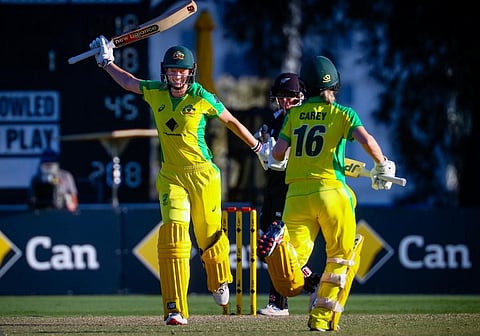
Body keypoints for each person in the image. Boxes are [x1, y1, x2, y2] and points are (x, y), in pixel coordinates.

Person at [88, 36, 265, 326]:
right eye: (171, 70)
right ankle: (175, 309)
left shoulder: (201, 96)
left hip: (203, 175)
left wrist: (257, 148)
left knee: (208, 237)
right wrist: (107, 63)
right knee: (173, 237)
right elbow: (129, 82)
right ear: (165, 72)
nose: (176, 75)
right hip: (171, 176)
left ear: (190, 73)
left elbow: (231, 121)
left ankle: (219, 280)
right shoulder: (156, 91)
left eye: (181, 71)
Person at [263, 55, 396, 331]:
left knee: (293, 267)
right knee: (340, 258)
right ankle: (321, 319)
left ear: (305, 87)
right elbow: (367, 140)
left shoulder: (294, 115)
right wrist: (382, 165)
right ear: (335, 85)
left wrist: (271, 151)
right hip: (332, 193)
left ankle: (279, 245)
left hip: (297, 195)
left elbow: (277, 154)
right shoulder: (344, 114)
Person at [255, 73, 305, 316]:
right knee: (268, 236)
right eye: (282, 97)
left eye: (291, 97)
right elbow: (269, 157)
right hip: (273, 185)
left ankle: (278, 302)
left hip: (291, 187)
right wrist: (262, 144)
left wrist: (271, 151)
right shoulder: (275, 118)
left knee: (276, 242)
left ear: (300, 97)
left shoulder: (300, 120)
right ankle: (313, 282)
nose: (285, 102)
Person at [27, 148, 79, 213]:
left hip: (62, 211)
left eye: (51, 163)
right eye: (46, 163)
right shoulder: (36, 179)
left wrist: (70, 205)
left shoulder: (66, 175)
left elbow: (73, 195)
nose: (49, 165)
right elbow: (31, 198)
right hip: (42, 212)